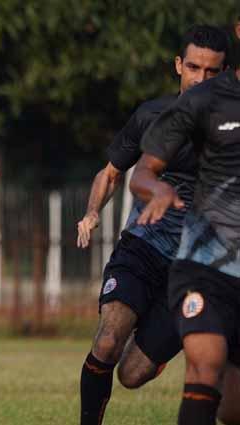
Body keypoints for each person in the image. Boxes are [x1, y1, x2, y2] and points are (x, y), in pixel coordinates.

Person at [76, 25, 229, 425]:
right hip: (143, 246)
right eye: (193, 67)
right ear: (178, 65)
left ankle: (158, 352)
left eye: (212, 72)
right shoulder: (152, 116)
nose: (200, 79)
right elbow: (111, 173)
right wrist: (92, 212)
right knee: (108, 340)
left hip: (195, 268)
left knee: (131, 374)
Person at [131, 52, 240, 425]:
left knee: (232, 410)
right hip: (205, 267)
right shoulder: (205, 99)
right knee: (205, 365)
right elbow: (143, 171)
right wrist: (157, 190)